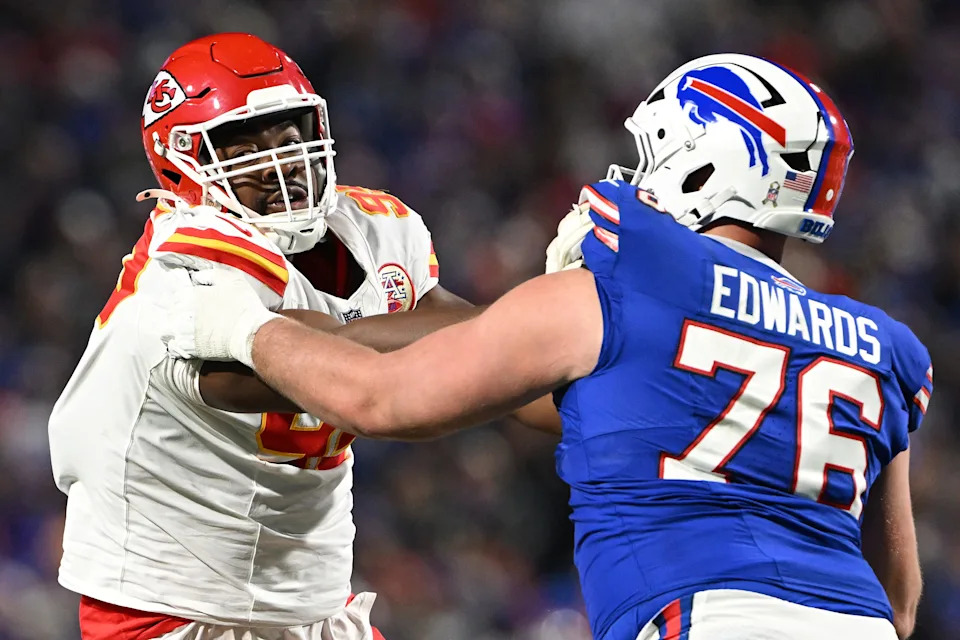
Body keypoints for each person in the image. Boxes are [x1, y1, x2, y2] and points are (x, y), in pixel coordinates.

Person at [161, 54, 929, 640]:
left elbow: (380, 398)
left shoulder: (623, 291)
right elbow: (898, 597)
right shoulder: (884, 346)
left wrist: (243, 328)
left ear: (698, 160)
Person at [48, 32, 557, 640]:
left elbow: (499, 362)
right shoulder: (187, 272)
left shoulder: (375, 227)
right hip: (169, 610)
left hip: (312, 603)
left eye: (288, 137)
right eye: (243, 146)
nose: (278, 162)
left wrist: (609, 381)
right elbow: (374, 386)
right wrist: (555, 322)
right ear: (181, 163)